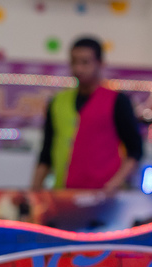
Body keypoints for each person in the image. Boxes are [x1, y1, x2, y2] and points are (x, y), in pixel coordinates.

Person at [31, 37, 143, 194]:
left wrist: (115, 184)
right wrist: (34, 191)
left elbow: (135, 150)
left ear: (100, 63)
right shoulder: (57, 102)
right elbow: (46, 152)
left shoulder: (117, 101)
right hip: (63, 194)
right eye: (74, 62)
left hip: (103, 195)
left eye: (85, 62)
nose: (78, 68)